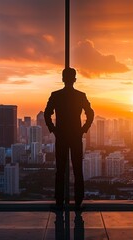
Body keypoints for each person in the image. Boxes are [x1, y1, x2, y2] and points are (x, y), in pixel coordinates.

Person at [44, 67, 94, 210]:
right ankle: (78, 201)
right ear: (74, 79)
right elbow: (90, 114)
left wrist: (53, 130)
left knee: (60, 170)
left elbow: (47, 114)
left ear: (63, 79)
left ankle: (59, 200)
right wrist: (83, 130)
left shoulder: (55, 95)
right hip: (76, 136)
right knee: (78, 169)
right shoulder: (80, 95)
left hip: (61, 136)